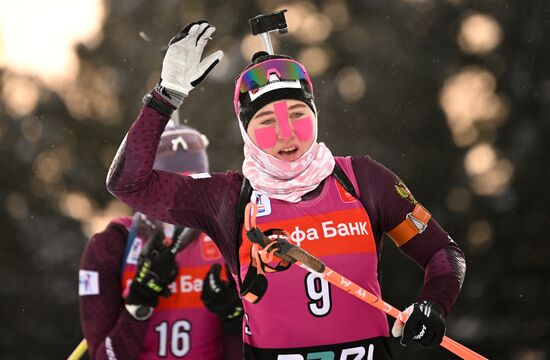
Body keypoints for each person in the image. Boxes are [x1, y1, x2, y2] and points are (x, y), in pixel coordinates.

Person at [106, 20, 466, 359]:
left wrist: (433, 303)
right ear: (245, 131)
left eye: (296, 113)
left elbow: (443, 253)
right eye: (266, 121)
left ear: (315, 114)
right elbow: (128, 183)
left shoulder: (363, 180)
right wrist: (165, 97)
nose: (286, 133)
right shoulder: (226, 198)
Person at [79, 121, 243, 360]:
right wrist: (139, 304)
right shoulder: (112, 245)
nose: (179, 209)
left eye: (192, 192)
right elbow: (104, 357)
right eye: (167, 193)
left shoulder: (228, 237)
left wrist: (233, 318)